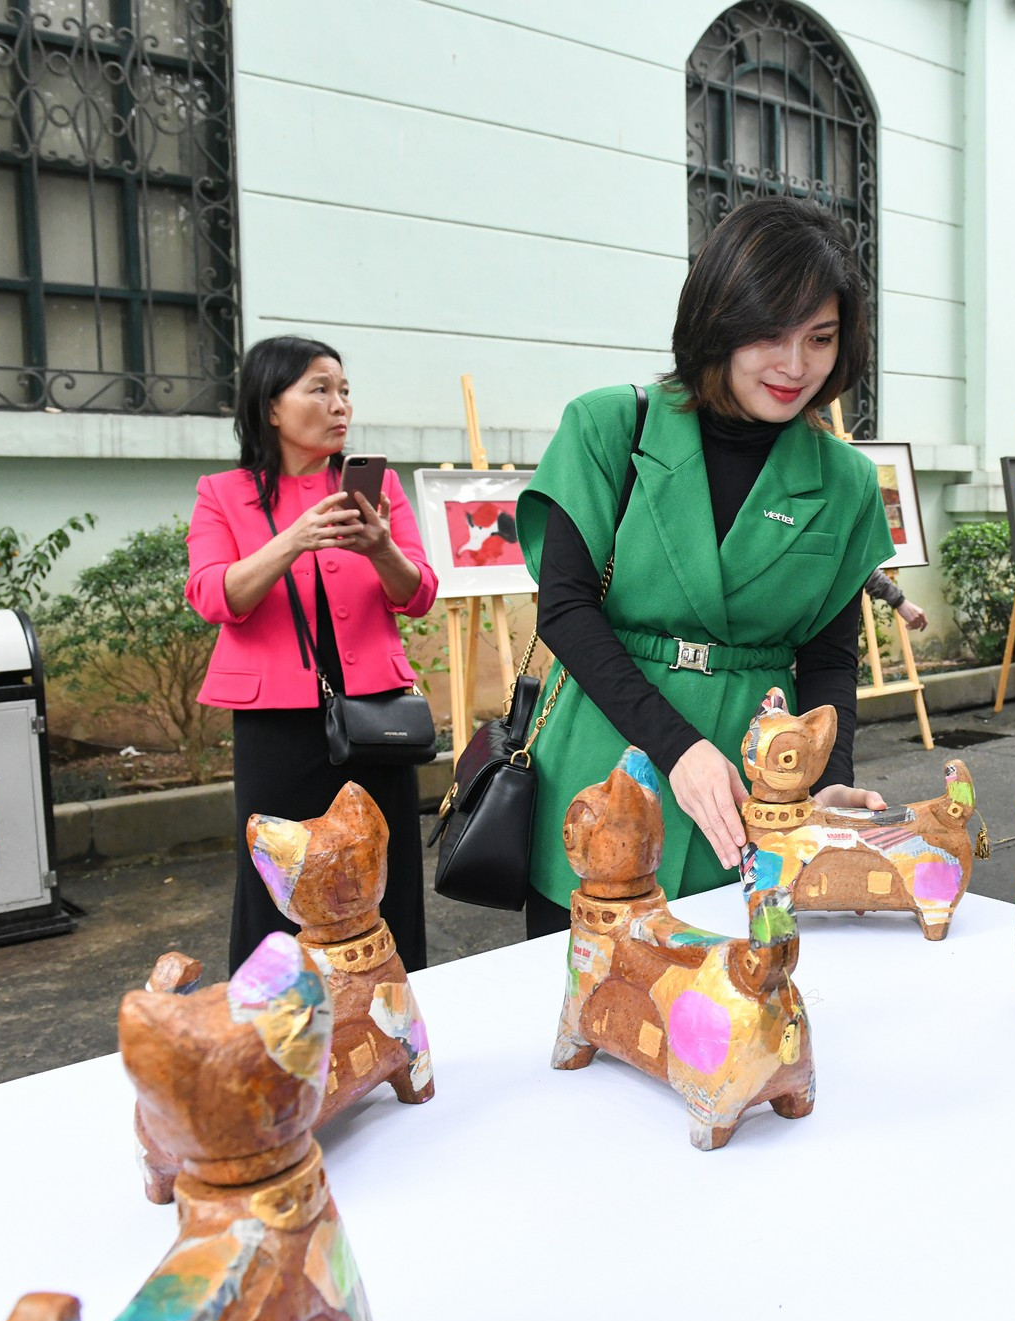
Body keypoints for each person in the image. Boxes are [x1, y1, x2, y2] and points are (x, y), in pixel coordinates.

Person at [516, 197, 897, 939]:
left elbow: (826, 659)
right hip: (605, 775)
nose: (796, 366)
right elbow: (564, 610)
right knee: (586, 1014)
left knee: (733, 1022)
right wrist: (679, 748)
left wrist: (830, 779)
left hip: (757, 803)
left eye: (820, 338)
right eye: (769, 334)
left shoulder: (846, 481)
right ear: (717, 321)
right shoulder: (608, 428)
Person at [186, 336, 439, 972]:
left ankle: (393, 1017)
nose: (339, 405)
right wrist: (292, 540)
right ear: (271, 407)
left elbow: (419, 594)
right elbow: (214, 595)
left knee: (385, 870)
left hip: (375, 712)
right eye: (319, 389)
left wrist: (381, 546)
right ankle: (274, 1028)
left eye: (344, 390)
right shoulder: (223, 494)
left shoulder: (378, 493)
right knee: (277, 879)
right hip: (274, 719)